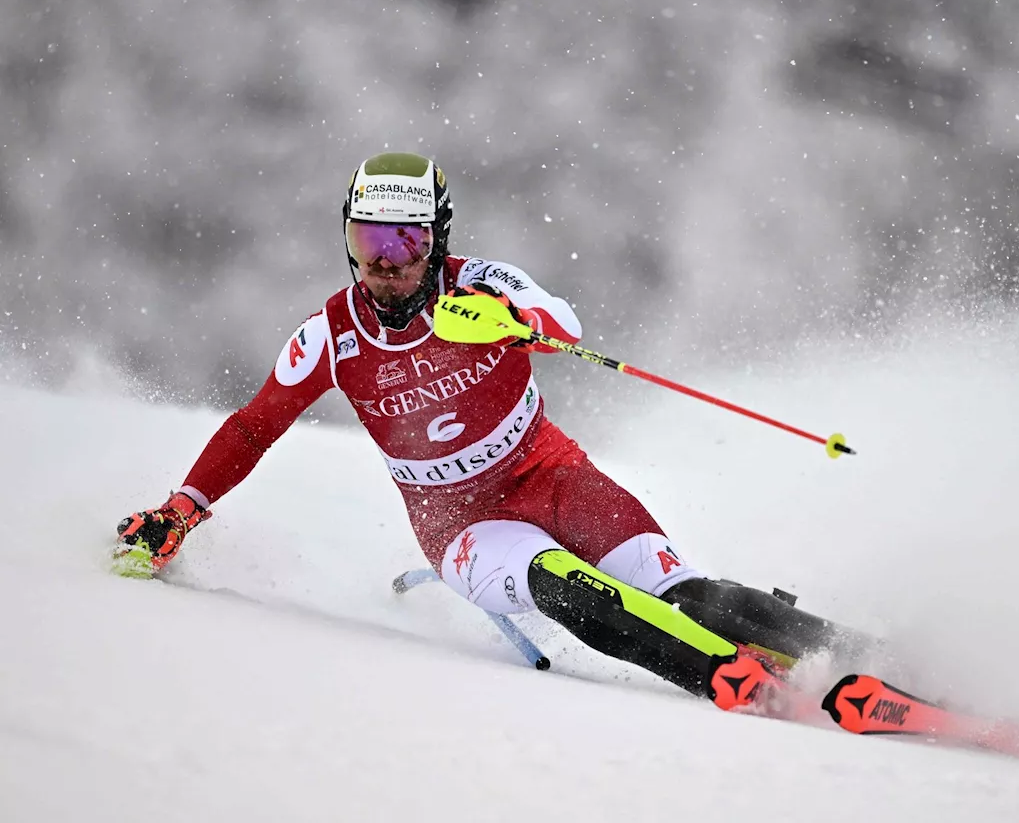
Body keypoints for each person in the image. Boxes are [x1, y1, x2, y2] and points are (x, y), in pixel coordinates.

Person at [113, 152, 879, 720]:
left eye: (405, 246)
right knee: (564, 583)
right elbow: (254, 425)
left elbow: (564, 324)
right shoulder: (331, 335)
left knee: (684, 590)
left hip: (550, 474)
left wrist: (515, 325)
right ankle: (734, 681)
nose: (385, 266)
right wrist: (181, 509)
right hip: (459, 525)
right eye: (368, 243)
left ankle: (869, 660)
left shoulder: (485, 285)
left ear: (436, 241)